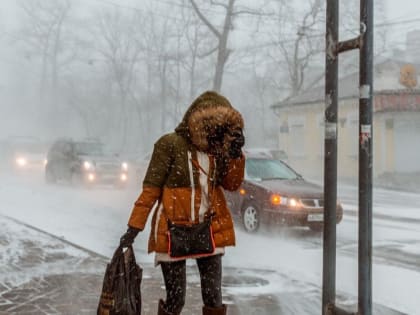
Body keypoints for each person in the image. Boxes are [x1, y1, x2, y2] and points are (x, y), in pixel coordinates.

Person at [120, 91, 245, 315]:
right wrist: (134, 227)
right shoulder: (170, 144)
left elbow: (232, 184)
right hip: (172, 232)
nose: (216, 131)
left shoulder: (219, 150)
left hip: (210, 230)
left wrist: (236, 155)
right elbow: (150, 191)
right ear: (199, 122)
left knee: (214, 298)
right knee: (176, 300)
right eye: (213, 125)